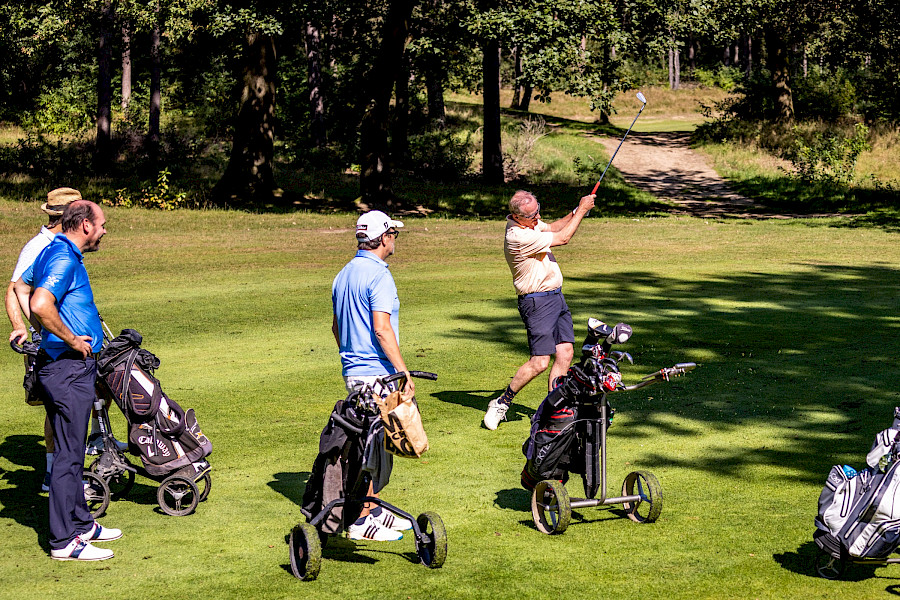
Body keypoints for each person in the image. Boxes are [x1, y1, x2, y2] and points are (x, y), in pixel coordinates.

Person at [28, 200, 122, 561]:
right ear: (84, 225)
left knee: (73, 450)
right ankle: (64, 541)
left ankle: (82, 523)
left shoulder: (56, 251)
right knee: (68, 456)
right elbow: (39, 302)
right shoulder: (64, 257)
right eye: (101, 224)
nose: (103, 230)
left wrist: (34, 334)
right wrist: (69, 339)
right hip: (67, 368)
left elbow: (21, 290)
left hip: (64, 367)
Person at [331, 210, 416, 541]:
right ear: (383, 239)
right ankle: (361, 518)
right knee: (375, 445)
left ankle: (374, 507)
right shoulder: (380, 275)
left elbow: (337, 327)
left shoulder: (344, 274)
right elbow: (382, 330)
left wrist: (351, 358)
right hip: (376, 374)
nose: (395, 239)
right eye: (393, 233)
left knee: (375, 442)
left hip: (354, 373)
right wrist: (402, 371)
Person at [483, 190, 596, 430]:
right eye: (533, 216)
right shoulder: (517, 236)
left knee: (565, 353)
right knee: (540, 362)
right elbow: (563, 237)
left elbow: (554, 226)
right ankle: (501, 402)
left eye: (538, 211)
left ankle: (554, 410)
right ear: (517, 216)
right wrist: (584, 211)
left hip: (555, 297)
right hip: (537, 302)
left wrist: (577, 209)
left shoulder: (530, 224)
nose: (538, 218)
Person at [6, 188, 80, 492]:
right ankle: (52, 473)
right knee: (56, 406)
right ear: (66, 217)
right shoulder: (37, 247)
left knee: (94, 387)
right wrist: (19, 326)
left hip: (70, 333)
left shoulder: (68, 243)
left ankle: (97, 441)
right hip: (49, 339)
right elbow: (13, 289)